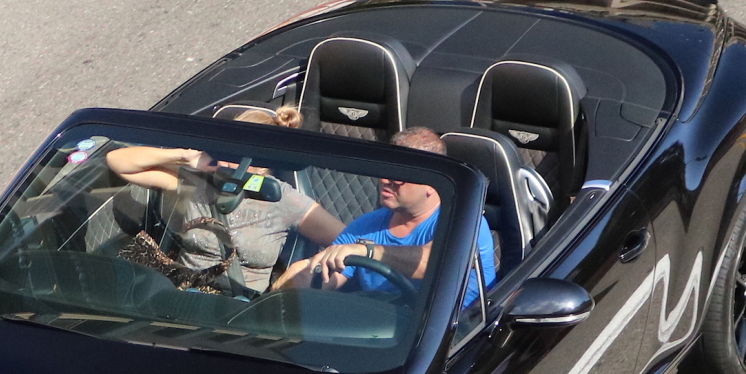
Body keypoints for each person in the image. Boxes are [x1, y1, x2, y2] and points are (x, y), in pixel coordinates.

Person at [101, 108, 343, 291]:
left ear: (261, 161)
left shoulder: (283, 198)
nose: (226, 161)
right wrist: (184, 156)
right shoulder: (198, 182)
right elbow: (118, 161)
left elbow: (348, 239)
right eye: (225, 149)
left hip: (239, 313)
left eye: (236, 154)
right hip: (181, 298)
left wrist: (299, 273)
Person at [271, 127, 497, 306]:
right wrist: (289, 287)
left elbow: (437, 262)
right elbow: (328, 275)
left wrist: (367, 251)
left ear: (432, 182)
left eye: (400, 176)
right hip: (385, 333)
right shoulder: (367, 226)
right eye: (386, 170)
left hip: (455, 337)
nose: (386, 180)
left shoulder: (464, 222)